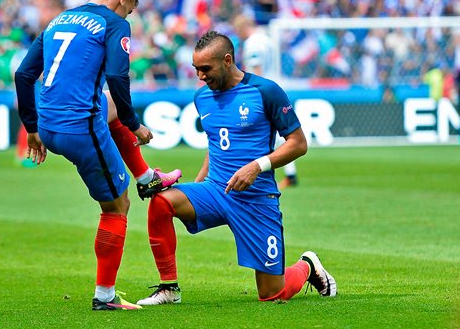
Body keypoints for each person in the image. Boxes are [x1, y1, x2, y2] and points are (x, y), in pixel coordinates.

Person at [136, 31, 336, 306]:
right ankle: (169, 288)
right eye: (196, 70)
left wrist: (257, 166)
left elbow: (299, 144)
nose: (201, 76)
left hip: (256, 199)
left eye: (205, 69)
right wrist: (198, 184)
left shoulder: (266, 91)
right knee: (161, 202)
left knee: (271, 294)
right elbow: (216, 141)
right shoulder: (201, 97)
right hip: (216, 191)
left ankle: (307, 266)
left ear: (227, 60)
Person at [15, 0, 163, 311]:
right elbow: (117, 73)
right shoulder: (114, 24)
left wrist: (32, 130)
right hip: (80, 128)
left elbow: (24, 74)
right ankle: (105, 297)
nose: (128, 15)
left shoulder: (59, 20)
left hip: (48, 125)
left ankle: (145, 177)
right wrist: (134, 123)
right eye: (129, 9)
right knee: (117, 207)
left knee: (105, 103)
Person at [232, 14, 298, 188]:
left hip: (261, 93)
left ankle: (257, 173)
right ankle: (289, 174)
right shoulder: (267, 40)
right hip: (276, 88)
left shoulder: (252, 43)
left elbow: (256, 70)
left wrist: (251, 95)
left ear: (242, 28)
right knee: (280, 135)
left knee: (259, 133)